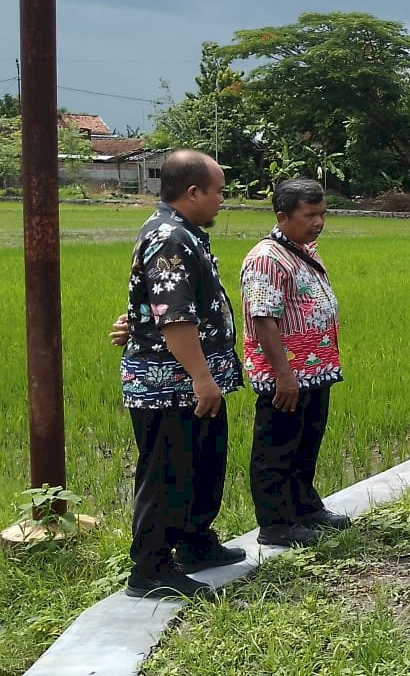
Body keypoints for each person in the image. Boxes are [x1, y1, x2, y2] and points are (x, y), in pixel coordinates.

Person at [119, 149, 245, 599]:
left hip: (189, 380)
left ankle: (195, 541)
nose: (222, 201)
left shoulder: (185, 233)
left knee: (203, 465)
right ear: (193, 192)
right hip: (170, 385)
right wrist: (202, 379)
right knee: (168, 474)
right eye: (219, 192)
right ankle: (150, 568)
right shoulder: (171, 237)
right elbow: (174, 318)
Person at [240, 179, 349, 547]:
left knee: (307, 440)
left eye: (322, 214)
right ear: (283, 216)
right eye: (310, 215)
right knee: (277, 447)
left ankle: (305, 506)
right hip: (286, 374)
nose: (318, 221)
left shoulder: (303, 249)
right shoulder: (267, 259)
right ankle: (276, 523)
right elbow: (262, 317)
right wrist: (283, 376)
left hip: (315, 367)